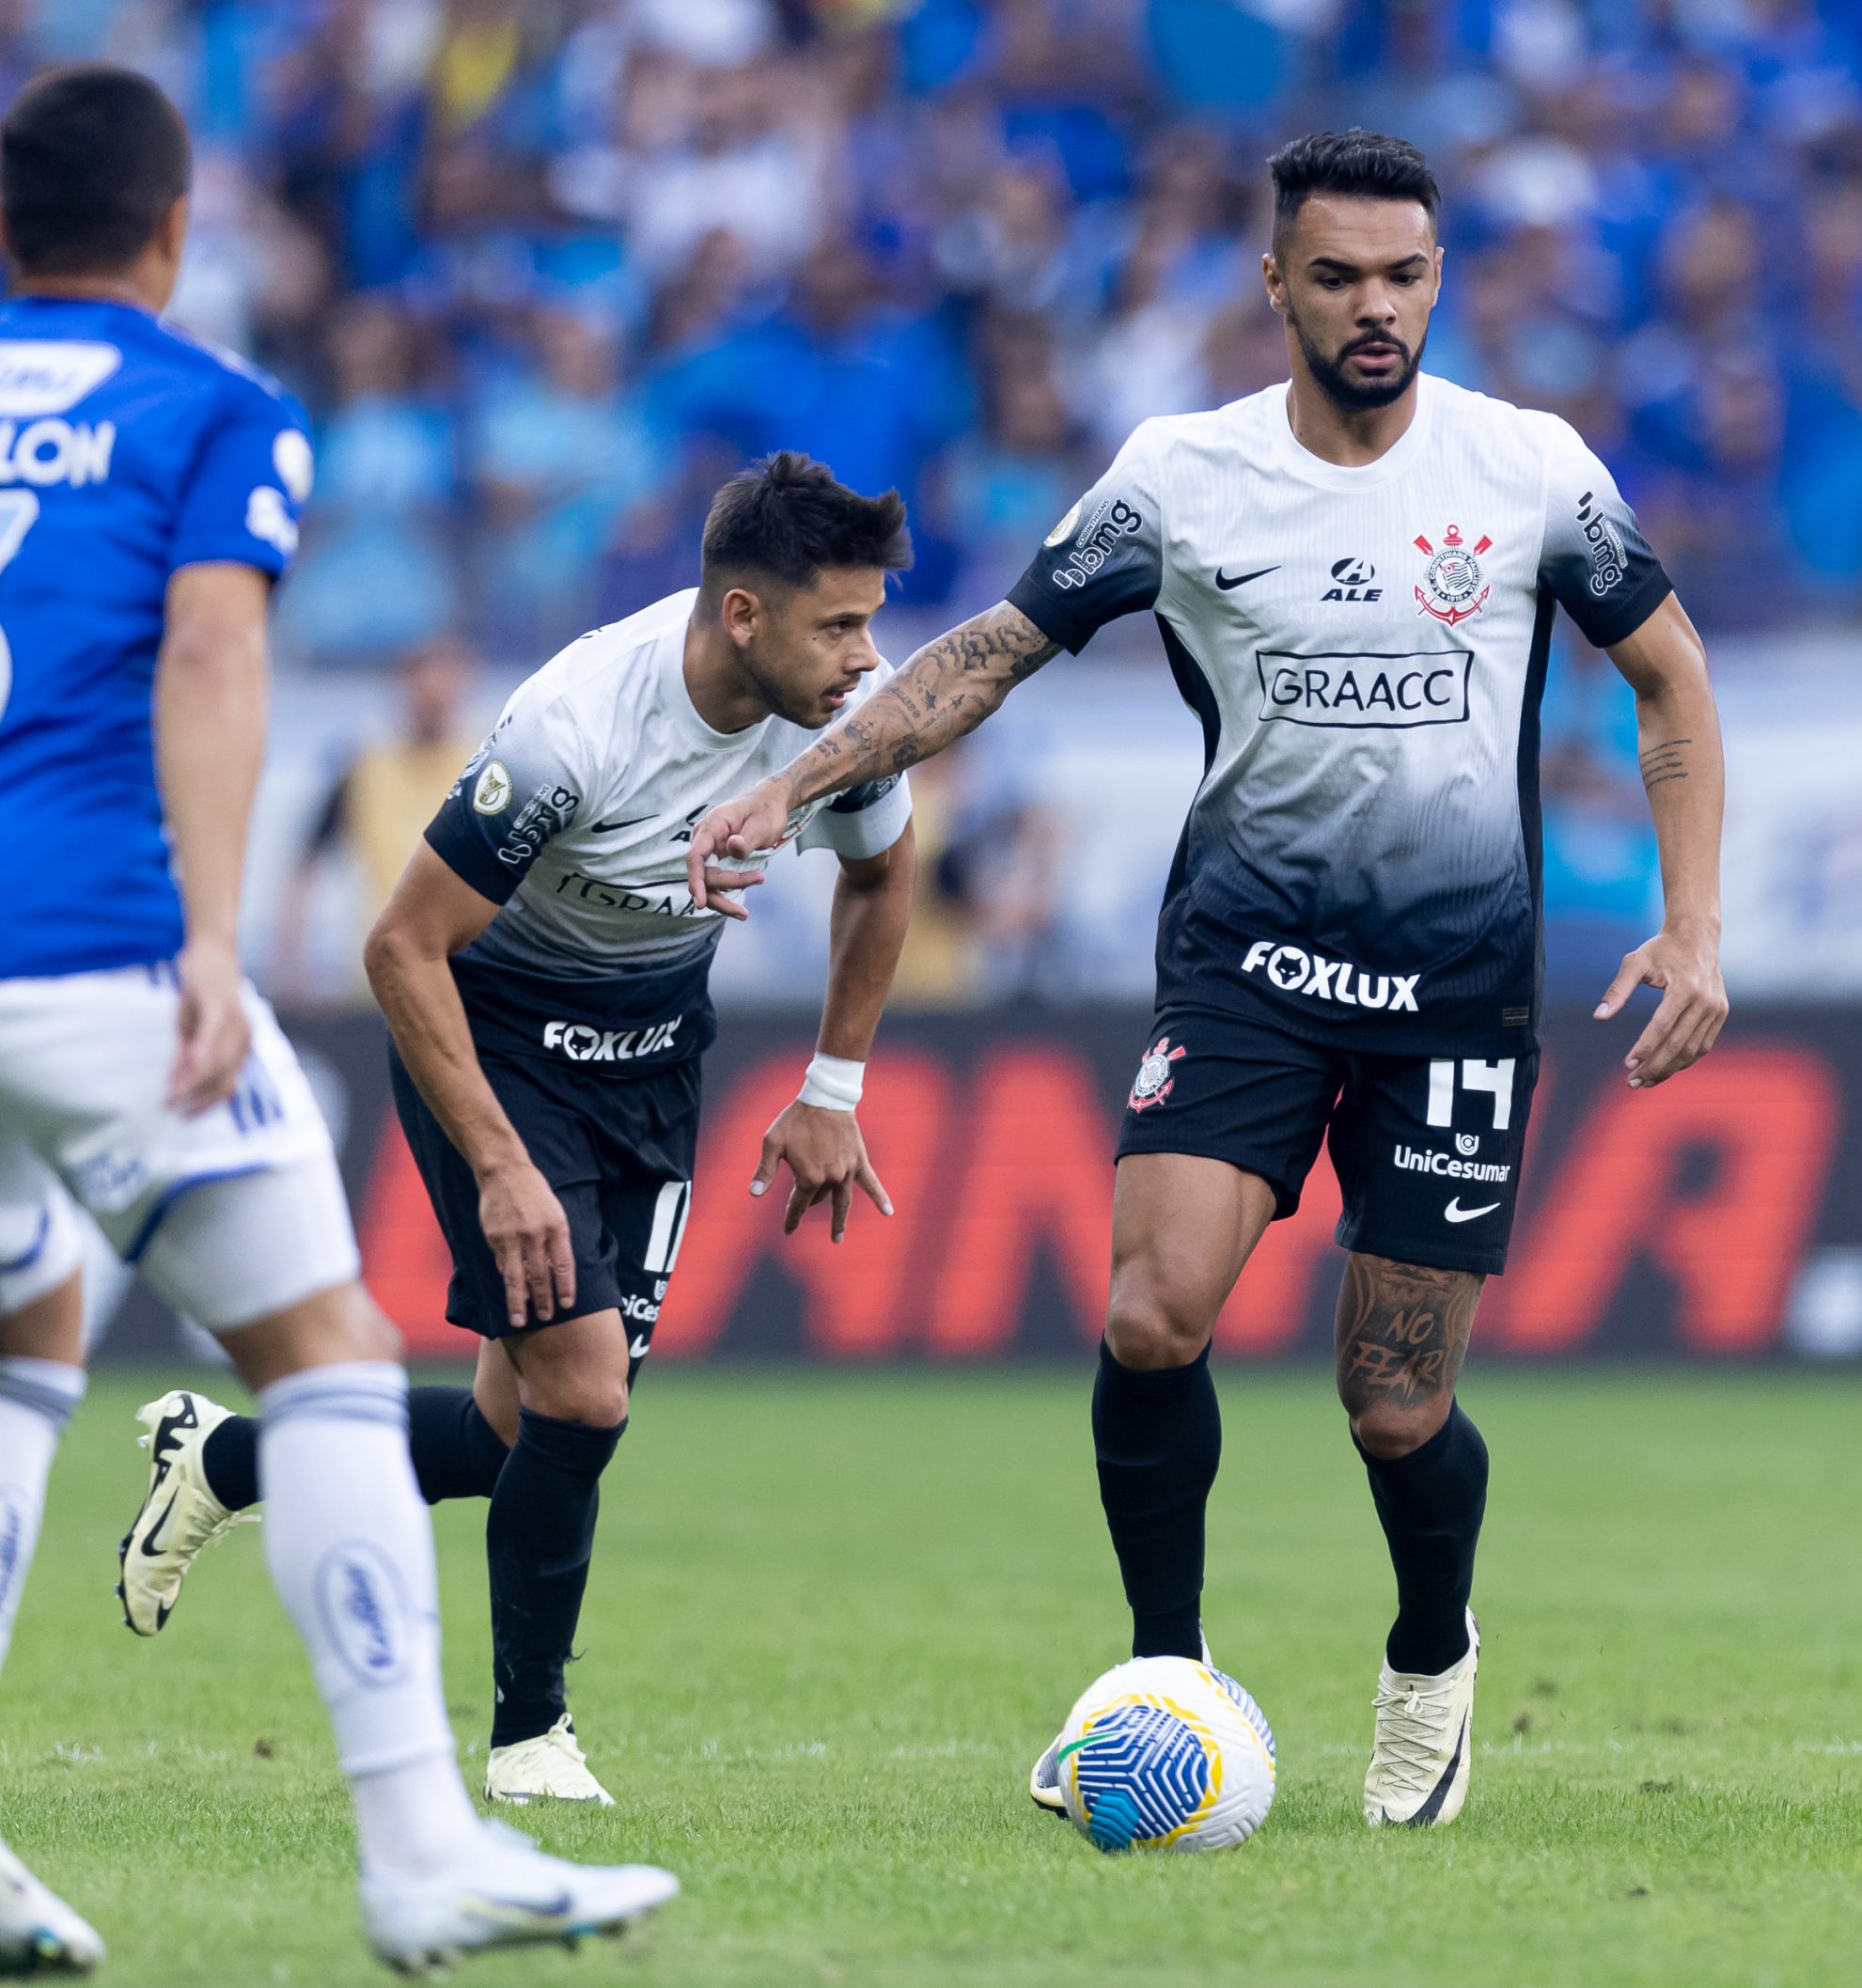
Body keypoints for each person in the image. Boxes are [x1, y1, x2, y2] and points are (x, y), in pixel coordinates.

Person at [0, 63, 674, 1976]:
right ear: (172, 226)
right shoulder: (210, 407)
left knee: (1, 1356)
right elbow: (213, 647)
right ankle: (418, 1849)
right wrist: (210, 938)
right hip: (94, 949)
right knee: (317, 1356)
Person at [685, 131, 1728, 1830]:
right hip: (1246, 963)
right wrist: (795, 785)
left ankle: (1430, 1651)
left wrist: (1692, 927)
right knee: (1150, 1314)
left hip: (1456, 992)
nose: (1372, 307)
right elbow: (984, 655)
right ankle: (1164, 1684)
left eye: (1402, 275)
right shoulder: (1181, 473)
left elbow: (1671, 685)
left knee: (1395, 1408)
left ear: (1438, 277)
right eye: (1336, 277)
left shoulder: (1531, 469)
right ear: (1275, 284)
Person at [116, 452, 919, 1808]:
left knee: (512, 1439)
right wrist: (499, 1164)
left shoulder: (841, 722)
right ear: (742, 615)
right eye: (840, 623)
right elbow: (401, 945)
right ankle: (530, 1738)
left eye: (871, 620)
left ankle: (227, 1459)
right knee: (588, 1395)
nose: (866, 654)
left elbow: (884, 870)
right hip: (497, 1042)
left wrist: (833, 1087)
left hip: (657, 1057)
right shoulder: (574, 727)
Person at [267, 636, 476, 1003]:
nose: (433, 705)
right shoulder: (365, 769)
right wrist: (292, 966)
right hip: (378, 981)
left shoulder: (484, 767)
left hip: (468, 980)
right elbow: (305, 867)